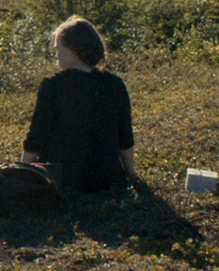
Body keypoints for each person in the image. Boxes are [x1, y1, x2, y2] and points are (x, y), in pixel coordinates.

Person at [19, 15, 137, 194]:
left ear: (73, 51)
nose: (56, 56)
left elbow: (38, 135)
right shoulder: (115, 84)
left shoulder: (53, 85)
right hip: (107, 178)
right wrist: (131, 174)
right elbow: (125, 136)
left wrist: (21, 170)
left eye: (58, 49)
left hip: (62, 177)